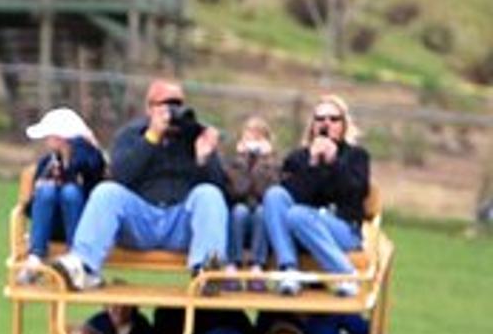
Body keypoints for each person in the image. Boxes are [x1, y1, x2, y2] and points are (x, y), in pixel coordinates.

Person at [51, 78, 229, 292]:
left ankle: (206, 274)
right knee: (107, 192)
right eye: (165, 104)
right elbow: (119, 175)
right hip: (140, 222)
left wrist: (204, 159)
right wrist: (152, 137)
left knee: (208, 194)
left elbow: (220, 191)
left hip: (180, 223)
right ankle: (83, 267)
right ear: (149, 108)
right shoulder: (130, 135)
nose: (172, 110)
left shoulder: (194, 136)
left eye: (177, 104)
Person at [261, 93, 370, 299]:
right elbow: (295, 196)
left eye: (333, 119)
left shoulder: (356, 156)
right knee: (275, 196)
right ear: (312, 125)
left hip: (342, 227)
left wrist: (333, 162)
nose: (326, 124)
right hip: (302, 226)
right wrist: (312, 163)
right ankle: (288, 269)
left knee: (298, 215)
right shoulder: (298, 158)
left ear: (344, 124)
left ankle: (345, 274)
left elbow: (356, 192)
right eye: (320, 119)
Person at [16, 106, 106, 284]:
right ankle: (36, 256)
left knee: (70, 192)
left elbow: (95, 169)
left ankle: (77, 258)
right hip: (51, 227)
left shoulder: (88, 162)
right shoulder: (47, 164)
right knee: (47, 190)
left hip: (81, 226)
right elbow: (31, 206)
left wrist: (83, 148)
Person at [224, 114, 281, 276]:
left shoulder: (274, 164)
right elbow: (238, 190)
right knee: (239, 211)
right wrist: (242, 160)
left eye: (258, 137)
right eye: (249, 135)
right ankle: (232, 263)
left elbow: (265, 192)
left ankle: (258, 264)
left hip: (261, 220)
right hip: (239, 217)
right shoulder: (233, 163)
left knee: (262, 213)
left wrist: (264, 162)